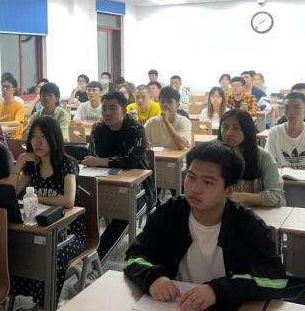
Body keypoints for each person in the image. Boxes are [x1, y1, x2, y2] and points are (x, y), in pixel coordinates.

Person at [124, 142, 287, 311]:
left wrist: (218, 290)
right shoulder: (169, 213)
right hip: (174, 304)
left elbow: (276, 279)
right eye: (191, 177)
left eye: (208, 182)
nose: (195, 189)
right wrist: (152, 278)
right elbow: (133, 257)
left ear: (229, 190)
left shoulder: (247, 225)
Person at [7, 117, 86, 309]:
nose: (38, 142)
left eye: (43, 137)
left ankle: (46, 303)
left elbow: (68, 201)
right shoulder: (32, 166)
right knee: (13, 249)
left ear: (54, 138)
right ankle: (27, 296)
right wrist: (19, 164)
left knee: (52, 256)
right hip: (38, 229)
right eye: (34, 136)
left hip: (70, 232)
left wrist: (36, 198)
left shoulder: (67, 164)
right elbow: (9, 193)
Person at [85, 92, 155, 261]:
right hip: (105, 185)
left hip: (139, 189)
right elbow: (92, 157)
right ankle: (82, 254)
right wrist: (100, 162)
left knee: (123, 212)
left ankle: (95, 261)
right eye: (104, 109)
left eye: (112, 108)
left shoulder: (136, 129)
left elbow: (131, 160)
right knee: (84, 209)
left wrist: (101, 161)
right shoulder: (98, 129)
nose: (107, 113)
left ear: (124, 110)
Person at [218, 110, 285, 207]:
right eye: (225, 127)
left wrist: (244, 197)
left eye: (236, 128)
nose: (229, 133)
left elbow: (277, 196)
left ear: (247, 130)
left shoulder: (263, 157)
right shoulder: (212, 156)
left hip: (255, 212)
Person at [265, 93, 305, 170]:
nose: (291, 112)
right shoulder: (274, 132)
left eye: (296, 108)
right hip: (281, 177)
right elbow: (270, 167)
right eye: (287, 108)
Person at [0, 74, 25, 139]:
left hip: (14, 139)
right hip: (0, 138)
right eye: (3, 86)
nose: (4, 89)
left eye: (7, 87)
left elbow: (17, 123)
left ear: (14, 90)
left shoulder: (19, 106)